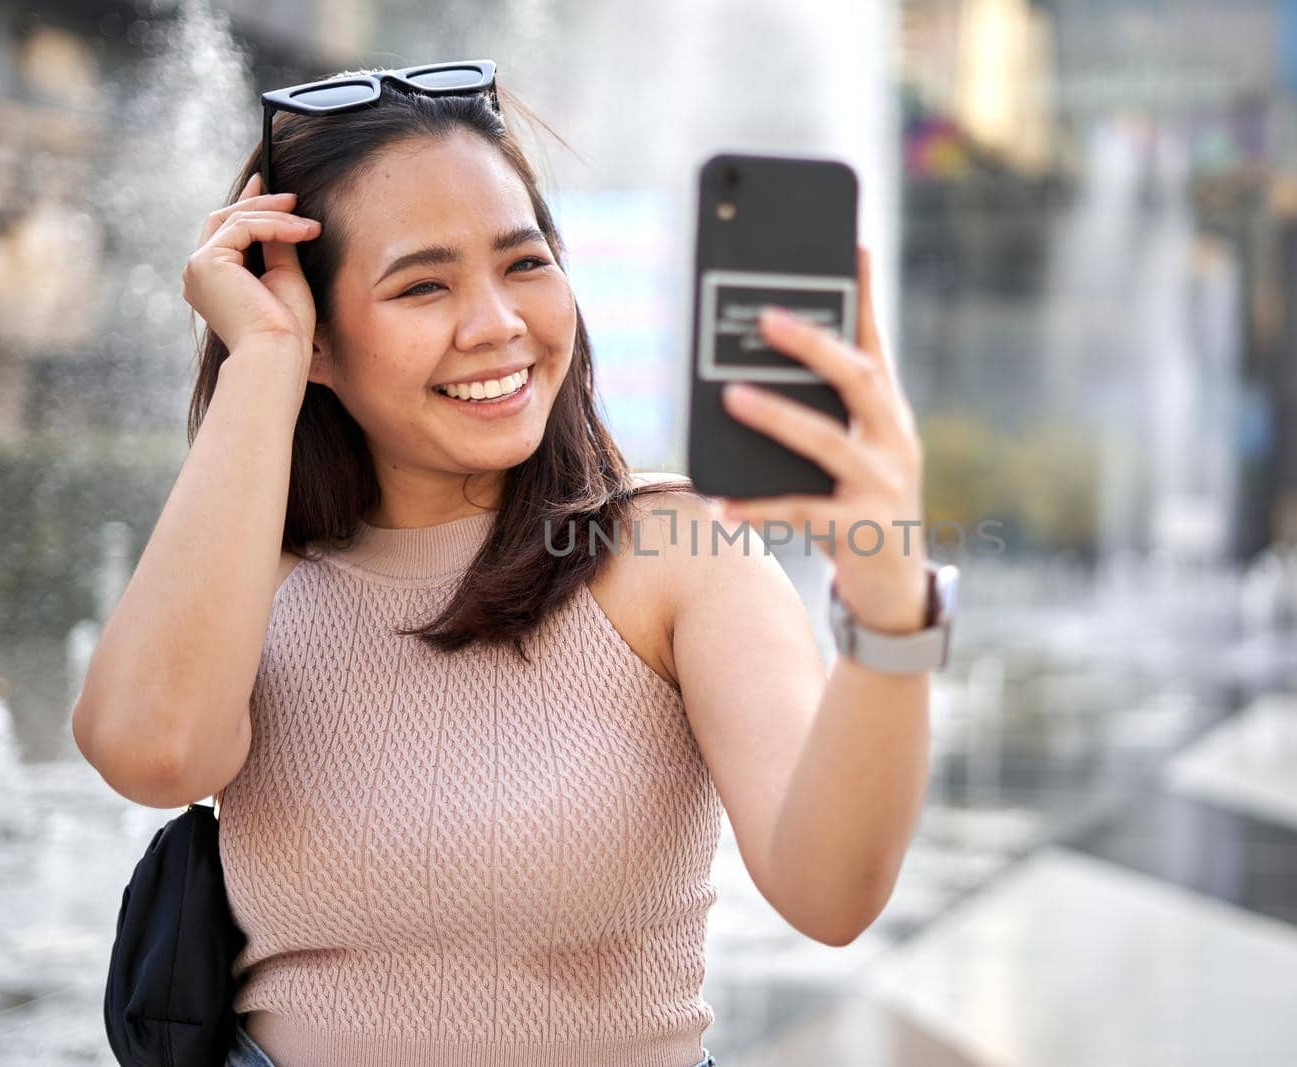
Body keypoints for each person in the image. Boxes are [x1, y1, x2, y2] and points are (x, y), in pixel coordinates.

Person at [72, 66, 941, 1067]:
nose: (496, 323)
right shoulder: (250, 577)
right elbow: (152, 754)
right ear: (318, 329)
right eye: (422, 283)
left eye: (524, 263)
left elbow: (830, 894)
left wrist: (891, 603)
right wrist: (263, 352)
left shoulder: (668, 555)